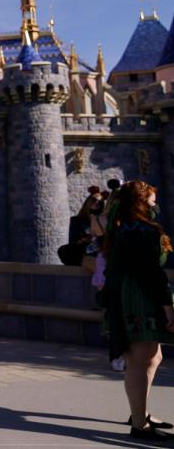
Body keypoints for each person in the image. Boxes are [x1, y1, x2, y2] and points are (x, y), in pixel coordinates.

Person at [101, 181, 174, 440]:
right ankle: (139, 425)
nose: (156, 206)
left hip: (124, 292)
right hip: (139, 296)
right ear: (141, 203)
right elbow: (152, 272)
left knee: (151, 358)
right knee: (141, 360)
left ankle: (140, 412)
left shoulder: (119, 226)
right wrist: (168, 307)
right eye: (152, 201)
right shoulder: (142, 230)